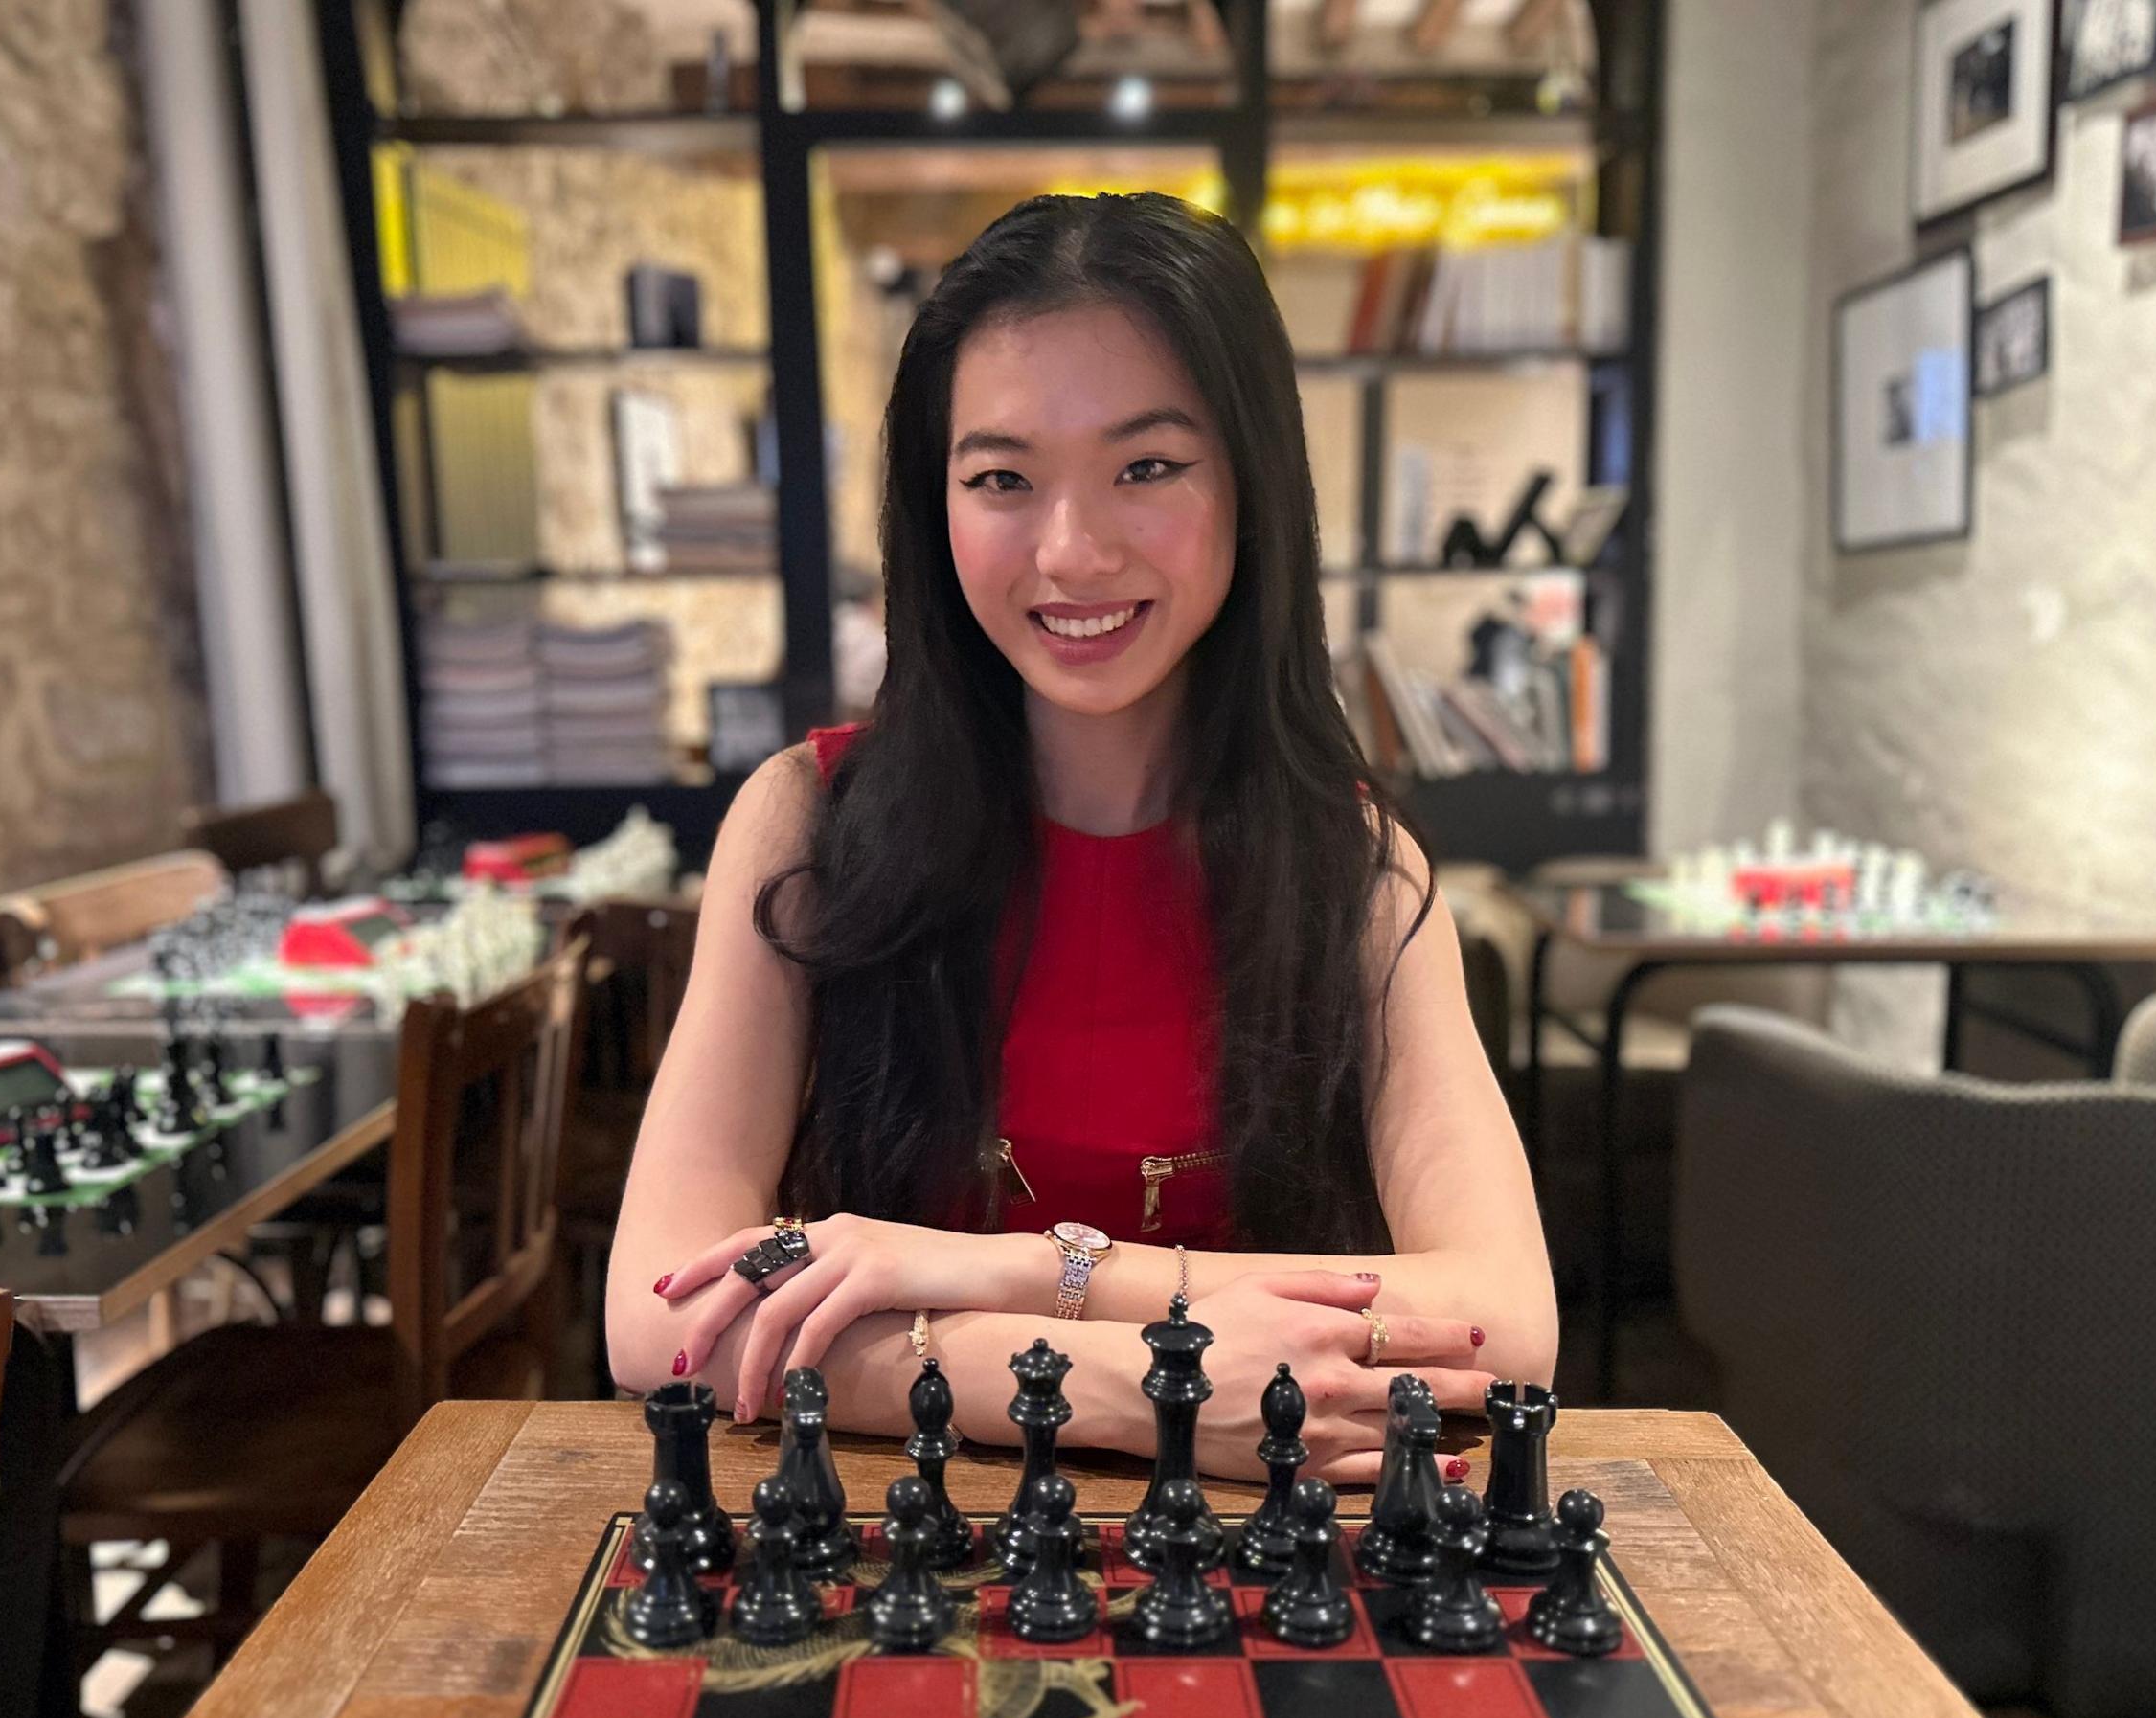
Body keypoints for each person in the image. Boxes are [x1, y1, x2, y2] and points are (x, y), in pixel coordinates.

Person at [604, 192, 1554, 1483]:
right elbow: (659, 1315)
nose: (1072, 552)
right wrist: (1146, 1388)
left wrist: (1002, 1272)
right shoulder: (808, 825)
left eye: (1146, 467)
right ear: (933, 505)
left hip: (1264, 1554)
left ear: (1254, 484)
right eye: (1002, 478)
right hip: (893, 1541)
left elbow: (1507, 1321)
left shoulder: (1356, 869)